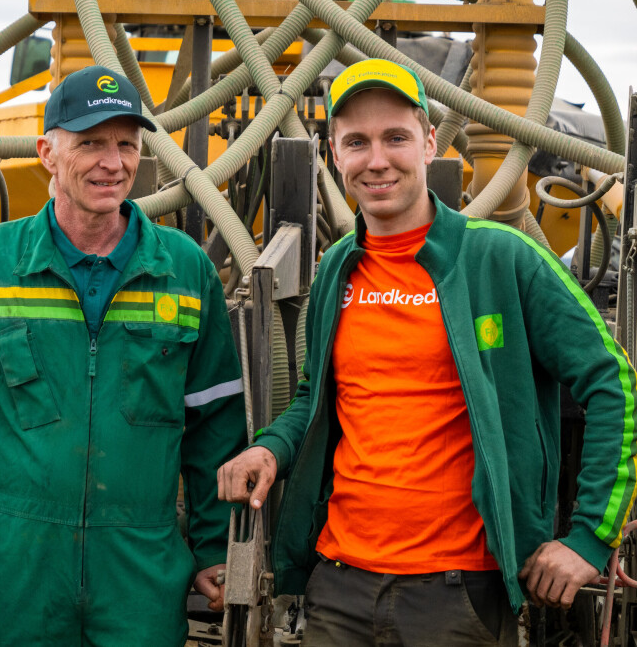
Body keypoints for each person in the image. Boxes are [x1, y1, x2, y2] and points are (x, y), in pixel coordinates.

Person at [217, 58, 637, 645]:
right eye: (356, 142)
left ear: (429, 142)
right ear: (334, 154)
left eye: (396, 138)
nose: (377, 160)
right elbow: (317, 397)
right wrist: (268, 450)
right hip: (339, 585)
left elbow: (612, 380)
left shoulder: (500, 259)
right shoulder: (337, 267)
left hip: (456, 597)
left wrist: (592, 537)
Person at [0, 65, 245, 646]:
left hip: (141, 571)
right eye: (90, 143)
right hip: (20, 569)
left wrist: (214, 548)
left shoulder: (187, 271)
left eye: (126, 145)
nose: (112, 163)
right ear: (48, 153)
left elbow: (215, 423)